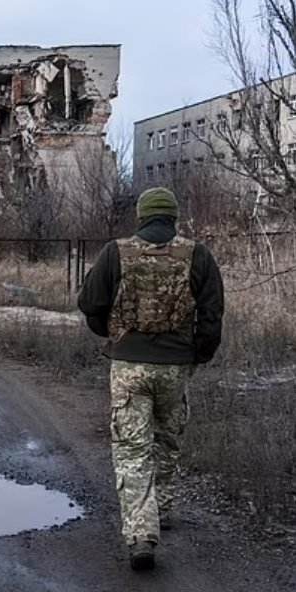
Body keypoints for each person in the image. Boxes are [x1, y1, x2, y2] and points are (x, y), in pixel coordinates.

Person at [78, 187, 224, 570]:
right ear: (174, 217)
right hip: (176, 365)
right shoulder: (198, 255)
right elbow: (211, 314)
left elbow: (90, 303)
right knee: (167, 436)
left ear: (141, 216)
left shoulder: (116, 252)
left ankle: (142, 534)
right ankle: (161, 506)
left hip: (128, 365)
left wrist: (110, 333)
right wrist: (199, 354)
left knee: (132, 447)